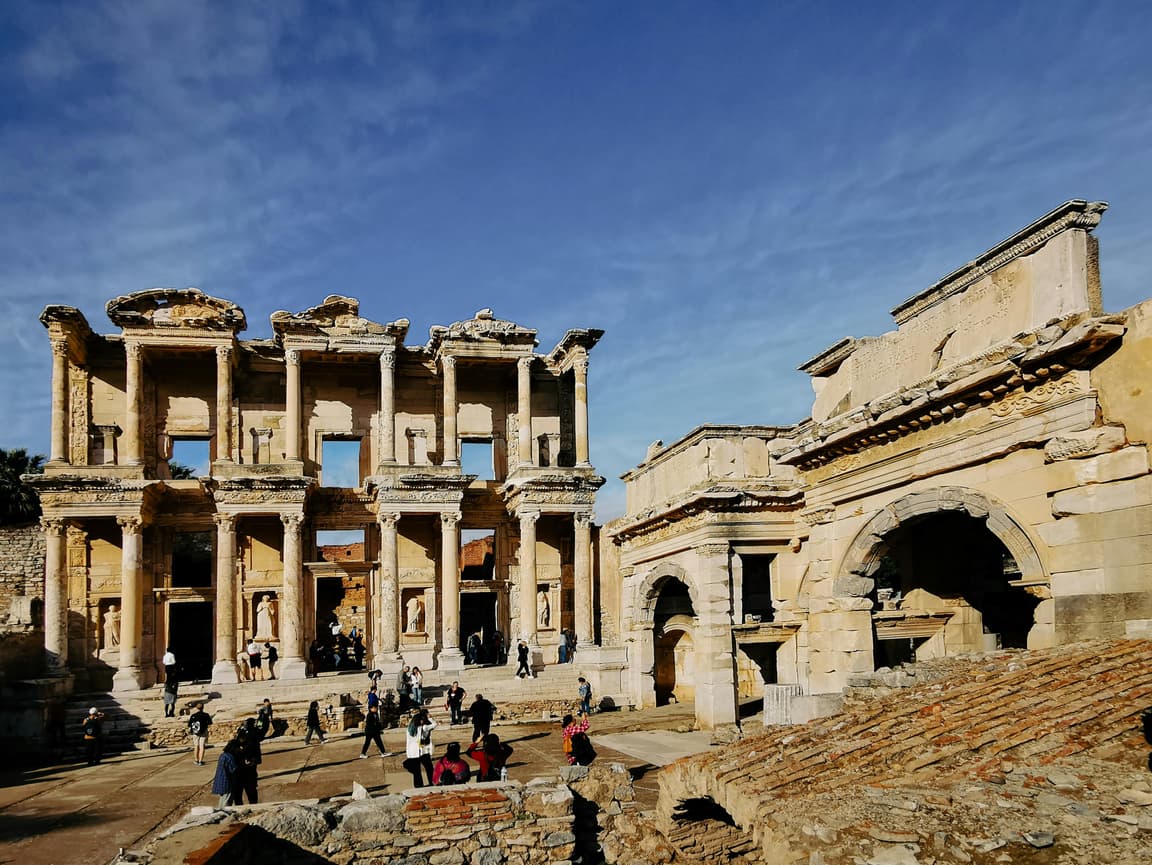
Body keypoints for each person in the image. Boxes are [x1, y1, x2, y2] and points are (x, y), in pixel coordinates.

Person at [403, 709, 436, 787]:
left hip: (413, 752)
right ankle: (432, 782)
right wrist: (430, 718)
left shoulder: (409, 729)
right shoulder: (423, 728)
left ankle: (418, 785)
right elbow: (434, 724)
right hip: (422, 751)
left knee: (417, 771)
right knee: (429, 768)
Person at [211, 738, 243, 808]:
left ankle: (221, 811)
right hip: (227, 783)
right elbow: (233, 770)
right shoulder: (230, 757)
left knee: (222, 800)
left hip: (220, 782)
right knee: (227, 802)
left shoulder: (223, 755)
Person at [237, 720, 262, 804]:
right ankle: (253, 801)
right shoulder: (254, 732)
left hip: (249, 759)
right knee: (251, 783)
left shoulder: (249, 733)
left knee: (249, 783)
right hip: (251, 759)